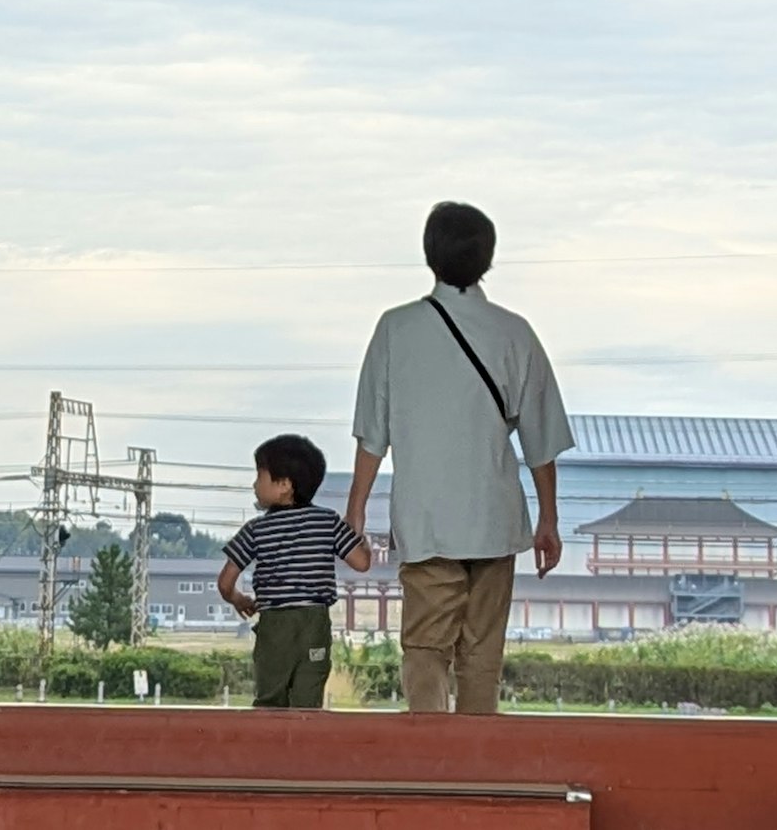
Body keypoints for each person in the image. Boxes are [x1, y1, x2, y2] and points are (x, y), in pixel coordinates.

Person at [342, 200, 572, 714]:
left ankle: (430, 770)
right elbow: (541, 439)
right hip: (495, 521)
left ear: (430, 256)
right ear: (488, 259)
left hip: (427, 524)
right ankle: (478, 769)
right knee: (482, 654)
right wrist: (548, 519)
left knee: (425, 649)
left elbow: (371, 435)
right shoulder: (515, 332)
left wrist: (356, 509)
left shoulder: (394, 330)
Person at [218, 430, 372, 708]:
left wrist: (238, 599)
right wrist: (364, 541)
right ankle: (304, 747)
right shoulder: (327, 521)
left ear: (284, 485)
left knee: (270, 698)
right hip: (314, 623)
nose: (254, 485)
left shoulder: (256, 529)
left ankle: (268, 748)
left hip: (274, 625)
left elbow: (226, 581)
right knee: (307, 701)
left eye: (260, 476)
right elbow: (361, 563)